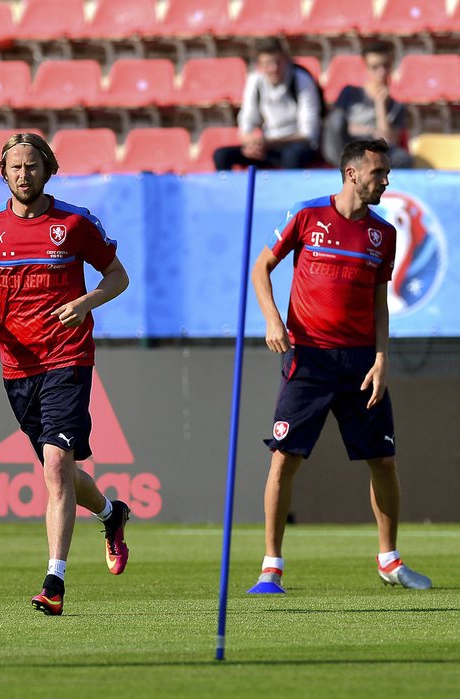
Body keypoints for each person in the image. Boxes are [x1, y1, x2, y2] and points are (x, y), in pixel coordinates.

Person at [249, 137, 431, 594]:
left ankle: (389, 560)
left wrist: (382, 358)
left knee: (384, 460)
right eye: (378, 173)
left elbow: (378, 303)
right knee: (284, 460)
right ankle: (271, 567)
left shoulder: (383, 234)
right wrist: (273, 319)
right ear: (352, 174)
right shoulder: (307, 215)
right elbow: (261, 268)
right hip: (307, 359)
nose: (386, 181)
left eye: (386, 173)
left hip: (360, 363)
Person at [0, 133, 132, 616]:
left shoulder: (75, 223)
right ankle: (110, 513)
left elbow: (117, 276)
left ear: (48, 169)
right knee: (59, 470)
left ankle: (53, 582)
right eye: (14, 167)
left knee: (56, 467)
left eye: (32, 166)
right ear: (3, 172)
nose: (23, 175)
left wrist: (85, 303)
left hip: (68, 357)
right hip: (17, 365)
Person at [214, 37, 322, 171]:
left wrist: (269, 143)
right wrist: (251, 143)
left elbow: (308, 134)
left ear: (286, 59)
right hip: (267, 146)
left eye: (278, 62)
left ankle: (289, 191)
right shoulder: (255, 81)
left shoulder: (301, 79)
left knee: (293, 157)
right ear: (259, 65)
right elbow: (246, 122)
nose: (274, 68)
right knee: (221, 155)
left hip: (296, 144)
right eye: (267, 64)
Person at [322, 41, 413, 169]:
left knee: (401, 158)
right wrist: (371, 131)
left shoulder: (397, 106)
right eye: (375, 67)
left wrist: (380, 105)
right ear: (367, 68)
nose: (381, 72)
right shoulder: (350, 92)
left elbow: (387, 141)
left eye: (385, 66)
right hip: (347, 148)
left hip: (373, 151)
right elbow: (335, 126)